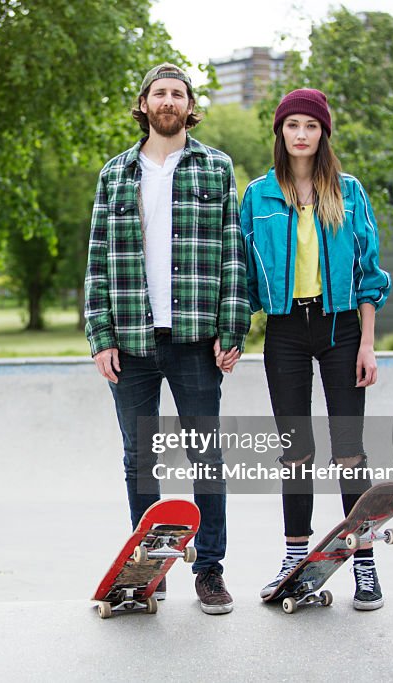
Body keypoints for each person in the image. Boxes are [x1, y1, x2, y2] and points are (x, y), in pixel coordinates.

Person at [84, 63, 251, 615]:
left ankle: (209, 570)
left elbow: (233, 253)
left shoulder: (216, 168)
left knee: (207, 456)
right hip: (130, 338)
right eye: (160, 92)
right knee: (140, 459)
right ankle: (144, 575)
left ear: (188, 106)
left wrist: (234, 326)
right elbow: (96, 262)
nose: (169, 100)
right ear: (144, 103)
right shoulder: (115, 174)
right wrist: (99, 335)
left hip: (196, 338)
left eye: (178, 93)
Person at [240, 88, 392, 610]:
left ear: (323, 132)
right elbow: (239, 275)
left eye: (310, 125)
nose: (300, 133)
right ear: (280, 133)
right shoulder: (258, 195)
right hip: (284, 330)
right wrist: (233, 333)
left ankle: (364, 562)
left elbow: (370, 275)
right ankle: (294, 556)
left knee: (349, 451)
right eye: (291, 125)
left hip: (340, 329)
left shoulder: (349, 192)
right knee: (296, 452)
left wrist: (367, 345)